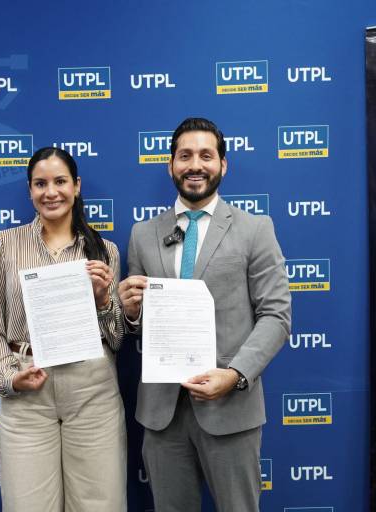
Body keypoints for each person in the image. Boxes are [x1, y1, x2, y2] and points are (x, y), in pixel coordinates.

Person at [119, 117, 291, 511]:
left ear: (223, 165)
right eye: (185, 156)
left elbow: (276, 316)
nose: (195, 165)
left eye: (206, 155)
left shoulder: (255, 229)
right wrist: (130, 313)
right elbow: (141, 321)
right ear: (171, 165)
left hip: (230, 408)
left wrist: (233, 376)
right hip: (162, 414)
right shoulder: (142, 234)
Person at [0, 147, 126, 512]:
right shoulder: (4, 244)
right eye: (40, 183)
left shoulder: (104, 251)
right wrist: (11, 379)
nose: (51, 192)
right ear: (29, 190)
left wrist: (104, 298)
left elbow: (119, 338)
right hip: (28, 391)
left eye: (60, 181)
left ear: (76, 187)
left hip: (92, 391)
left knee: (100, 505)